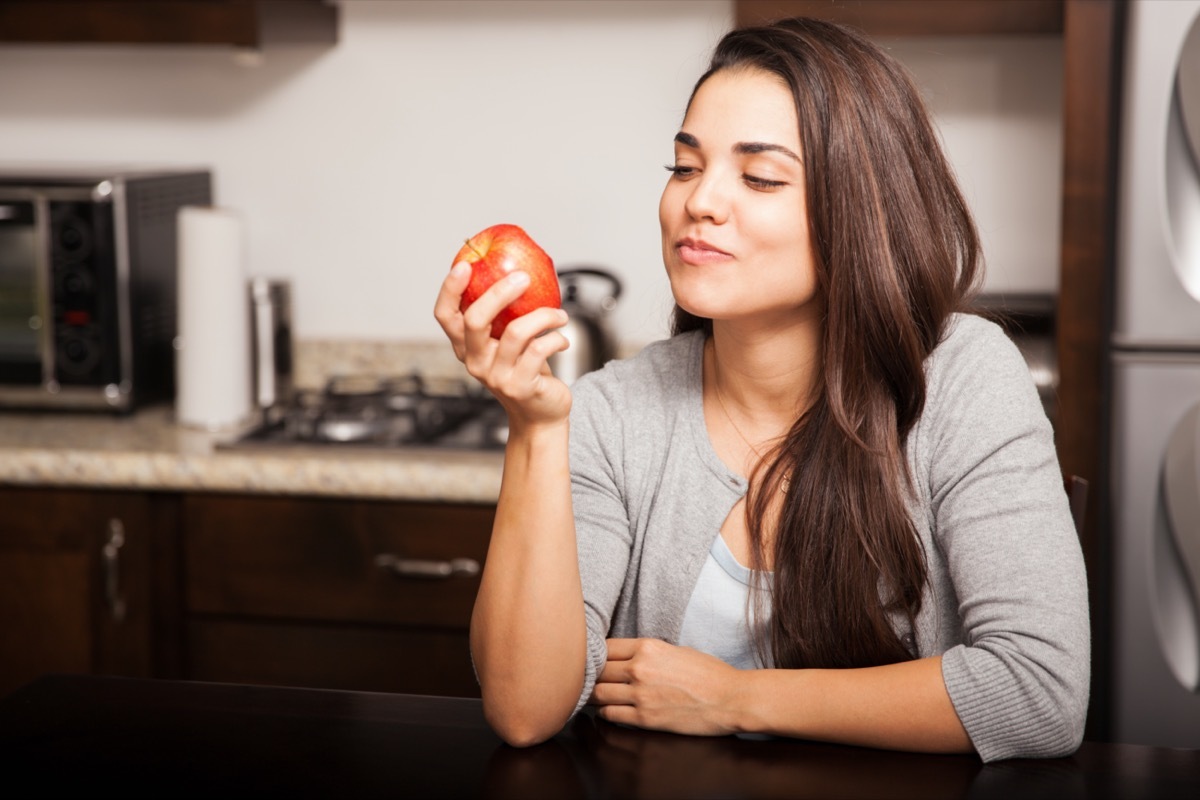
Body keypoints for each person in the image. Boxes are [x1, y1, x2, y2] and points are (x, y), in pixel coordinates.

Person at [433, 16, 1089, 763]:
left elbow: (1040, 693)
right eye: (684, 168)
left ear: (858, 209)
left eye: (760, 177)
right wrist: (535, 429)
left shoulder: (964, 378)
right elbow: (525, 709)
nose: (699, 202)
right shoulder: (615, 411)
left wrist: (733, 699)